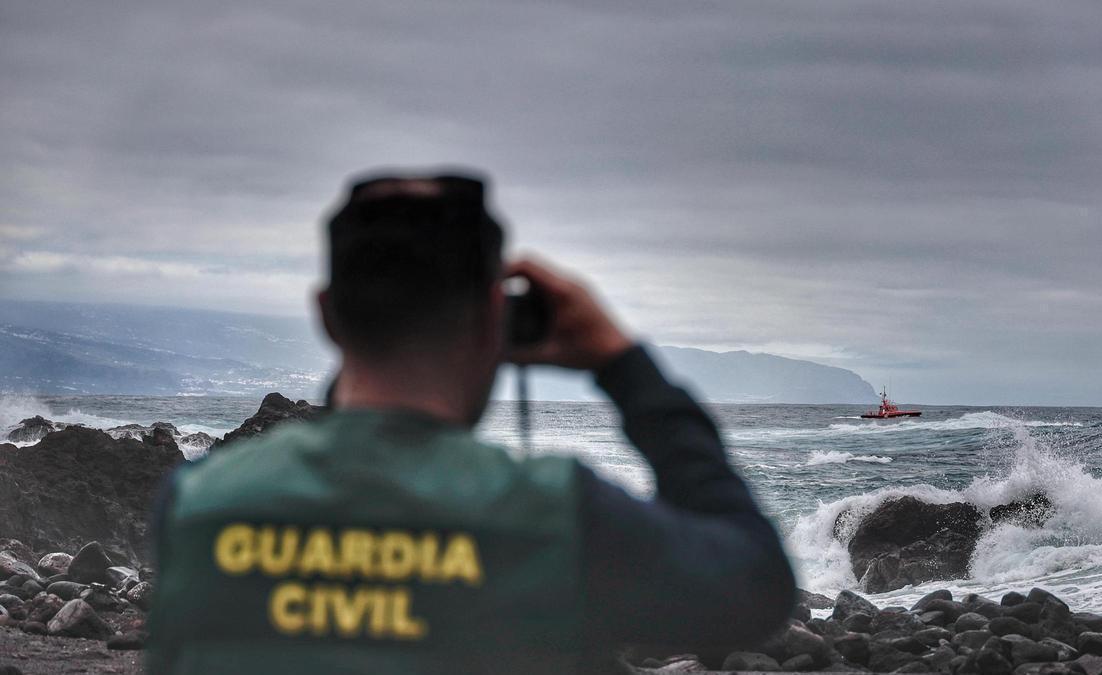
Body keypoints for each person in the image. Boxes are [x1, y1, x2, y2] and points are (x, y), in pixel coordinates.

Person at [147, 171, 795, 674]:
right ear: (495, 317)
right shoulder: (556, 517)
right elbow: (757, 584)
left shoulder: (195, 503)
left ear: (326, 314)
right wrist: (621, 363)